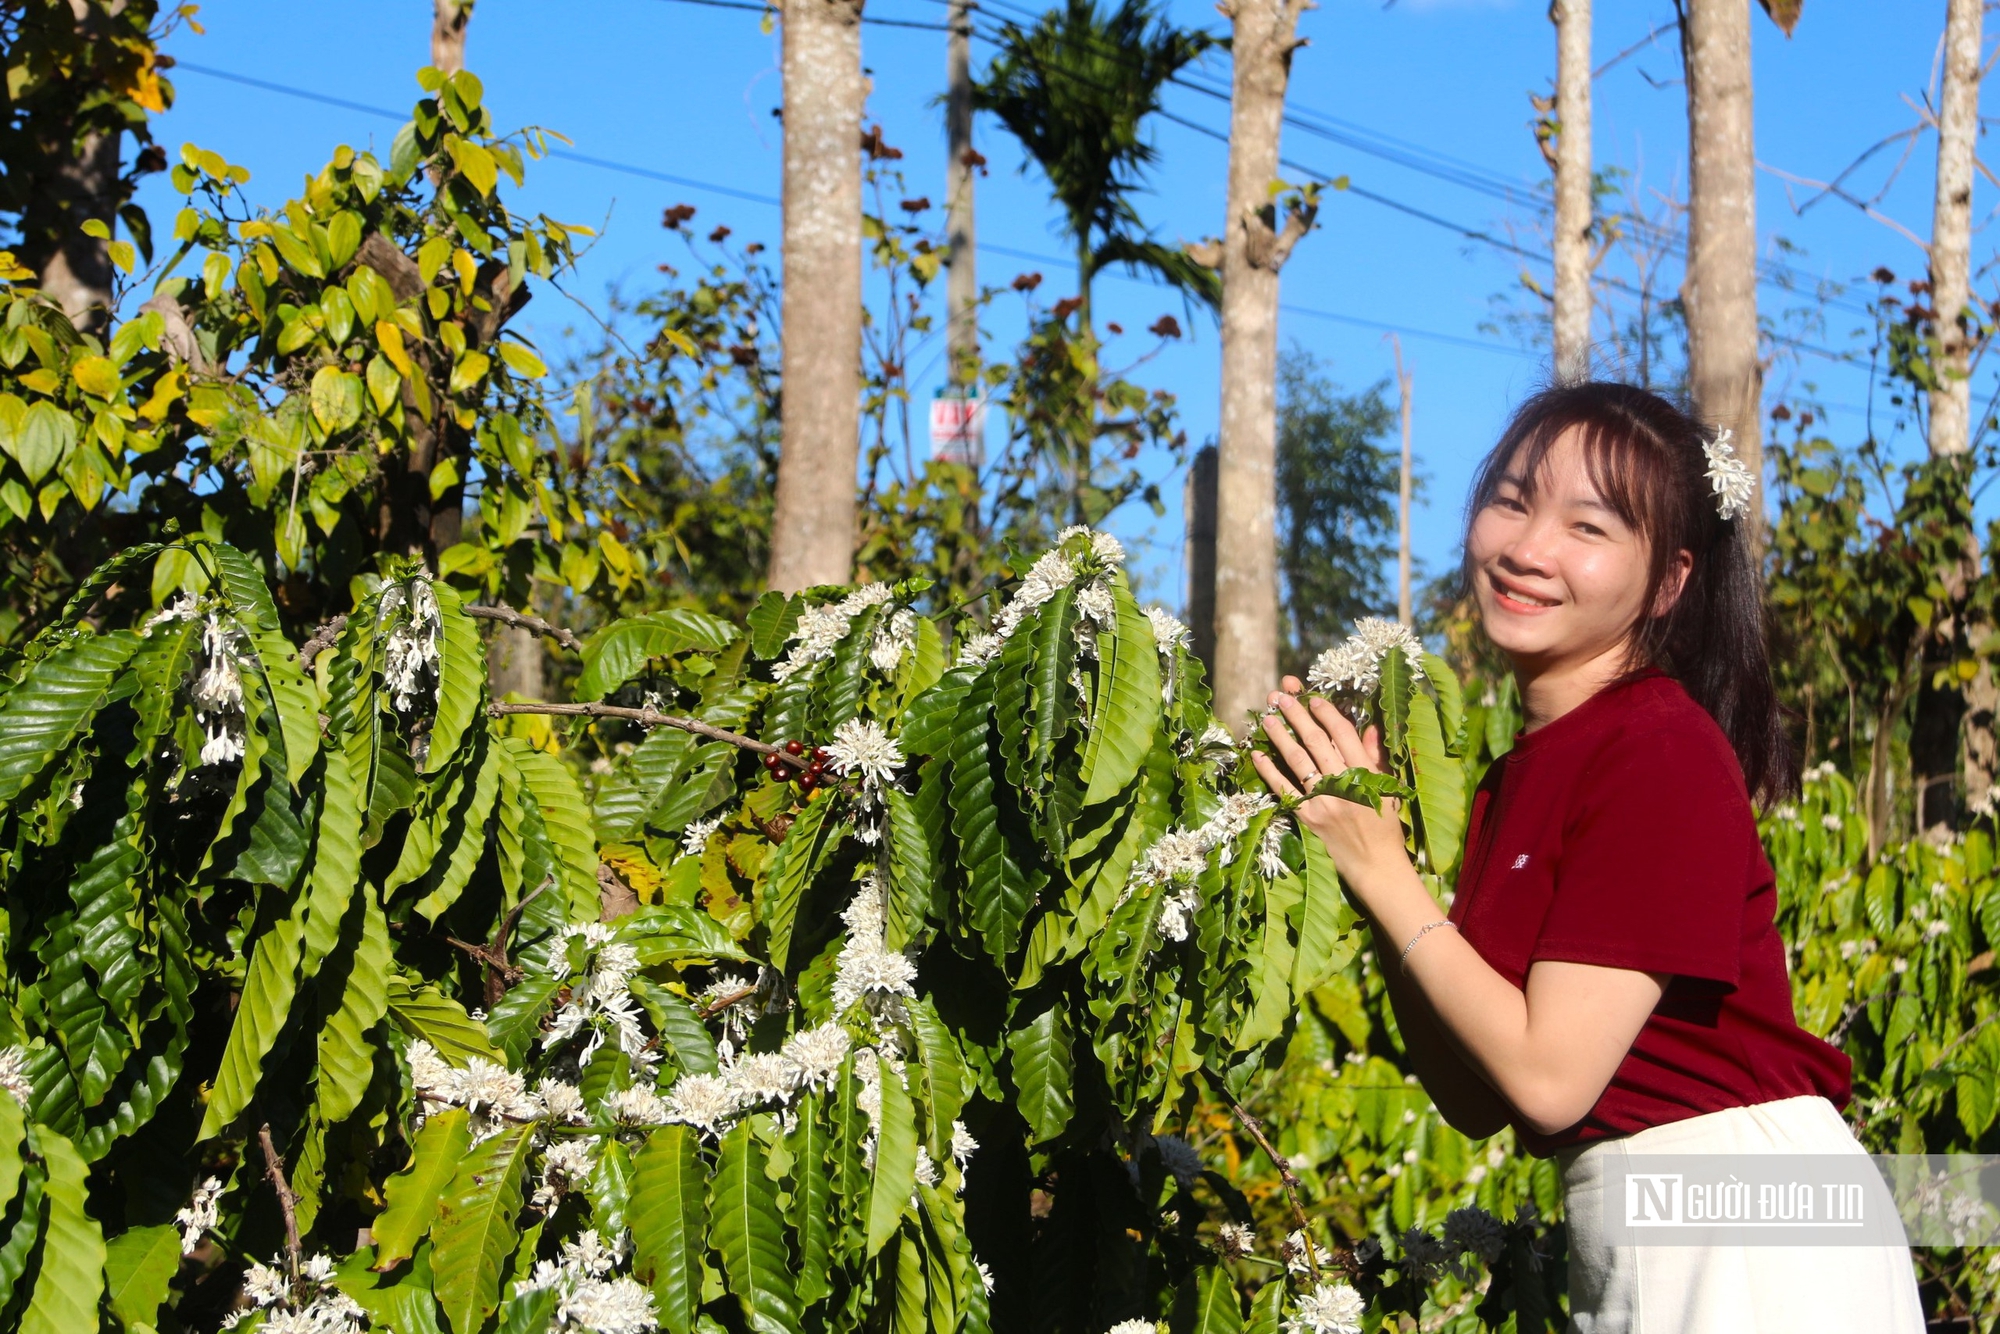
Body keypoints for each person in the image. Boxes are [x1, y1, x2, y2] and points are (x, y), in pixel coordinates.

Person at [1251, 382, 1925, 1333]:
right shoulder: (1520, 775)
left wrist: (1382, 874)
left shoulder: (1657, 749)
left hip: (1740, 1226)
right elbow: (1473, 1096)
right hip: (1647, 1220)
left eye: (1589, 527)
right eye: (1514, 500)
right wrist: (1381, 874)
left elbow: (1549, 1080)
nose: (1529, 550)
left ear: (1668, 581)